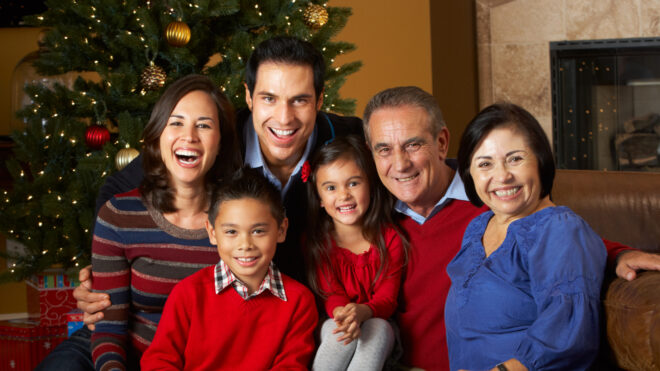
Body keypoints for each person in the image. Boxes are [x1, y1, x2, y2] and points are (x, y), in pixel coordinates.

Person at [41, 36, 362, 371]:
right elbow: (122, 187)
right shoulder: (216, 139)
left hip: (232, 333)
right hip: (134, 335)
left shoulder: (343, 145)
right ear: (250, 97)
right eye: (269, 98)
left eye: (300, 100)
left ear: (319, 100)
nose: (284, 117)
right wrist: (105, 271)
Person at [361, 86, 660, 370]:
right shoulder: (367, 213)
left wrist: (617, 254)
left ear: (441, 142)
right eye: (384, 149)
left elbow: (559, 242)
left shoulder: (491, 202)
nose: (400, 164)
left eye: (413, 145)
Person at [36, 74, 241, 370]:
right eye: (176, 122)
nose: (190, 136)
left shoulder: (239, 219)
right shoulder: (119, 214)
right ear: (158, 134)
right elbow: (108, 329)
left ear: (221, 142)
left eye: (204, 125)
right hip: (122, 351)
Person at [445, 102, 605, 371]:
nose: (502, 176)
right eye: (485, 164)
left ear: (540, 160)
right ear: (469, 174)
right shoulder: (478, 227)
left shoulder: (560, 229)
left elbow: (567, 338)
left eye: (515, 158)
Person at [141, 167, 318, 370]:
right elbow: (159, 362)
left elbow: (290, 367)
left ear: (281, 230)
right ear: (212, 232)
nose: (245, 244)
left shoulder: (299, 301)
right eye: (232, 231)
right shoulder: (188, 293)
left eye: (258, 231)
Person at [304, 136, 406, 371]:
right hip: (335, 318)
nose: (344, 195)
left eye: (353, 183)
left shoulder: (389, 239)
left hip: (379, 320)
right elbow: (331, 293)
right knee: (338, 332)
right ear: (319, 199)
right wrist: (345, 314)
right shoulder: (318, 243)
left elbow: (387, 298)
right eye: (331, 188)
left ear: (370, 184)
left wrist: (364, 311)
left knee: (377, 329)